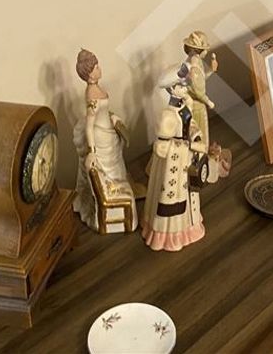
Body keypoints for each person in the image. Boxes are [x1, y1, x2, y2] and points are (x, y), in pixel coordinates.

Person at [141, 65, 208, 251]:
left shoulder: (184, 108)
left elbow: (191, 125)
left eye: (184, 84)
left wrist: (196, 137)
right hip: (175, 166)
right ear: (171, 89)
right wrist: (189, 146)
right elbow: (162, 149)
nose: (184, 88)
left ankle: (188, 227)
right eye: (180, 85)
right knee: (175, 198)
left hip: (186, 162)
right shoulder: (168, 116)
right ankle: (169, 235)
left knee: (189, 193)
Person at [72, 49, 136, 233]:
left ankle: (122, 188)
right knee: (108, 170)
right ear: (89, 73)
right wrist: (92, 151)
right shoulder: (92, 94)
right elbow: (89, 125)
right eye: (96, 67)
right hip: (100, 138)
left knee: (117, 167)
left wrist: (112, 118)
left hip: (107, 132)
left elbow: (103, 112)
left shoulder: (96, 89)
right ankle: (111, 206)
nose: (99, 69)